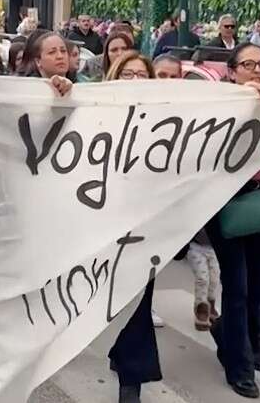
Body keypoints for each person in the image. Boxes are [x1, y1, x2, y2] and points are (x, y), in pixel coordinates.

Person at [204, 43, 260, 399]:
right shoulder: (217, 106)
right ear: (232, 71)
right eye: (248, 64)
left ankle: (225, 332)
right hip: (226, 205)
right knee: (238, 287)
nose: (258, 71)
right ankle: (239, 366)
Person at [103, 51, 162, 403]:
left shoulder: (168, 118)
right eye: (128, 74)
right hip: (101, 222)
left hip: (145, 227)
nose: (136, 80)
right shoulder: (96, 112)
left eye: (143, 75)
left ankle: (131, 379)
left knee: (139, 299)